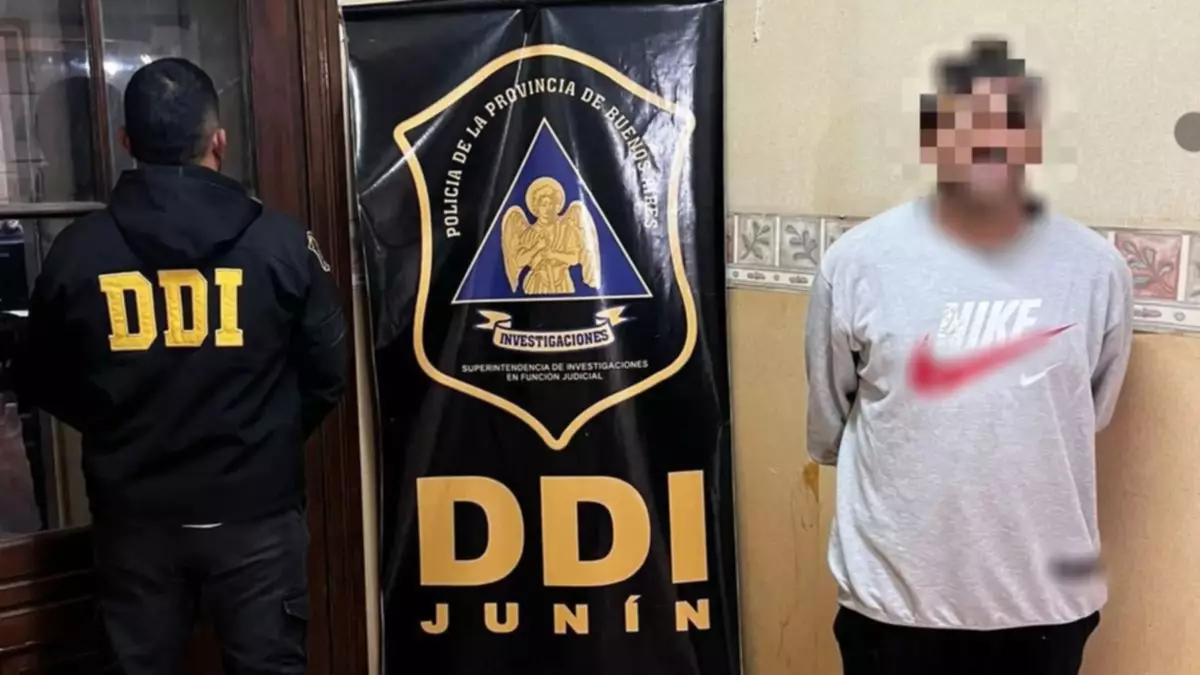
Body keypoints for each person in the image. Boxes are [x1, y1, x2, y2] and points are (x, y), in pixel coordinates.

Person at [805, 38, 1133, 675]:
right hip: (894, 609)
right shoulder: (857, 264)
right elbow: (830, 420)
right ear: (932, 135)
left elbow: (1086, 413)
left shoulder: (1097, 271)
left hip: (1045, 609)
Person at [23, 58, 348, 674]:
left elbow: (40, 378)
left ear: (126, 142)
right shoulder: (282, 244)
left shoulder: (76, 253)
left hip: (135, 520)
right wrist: (263, 439)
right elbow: (328, 374)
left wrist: (119, 425)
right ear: (218, 141)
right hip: (255, 515)